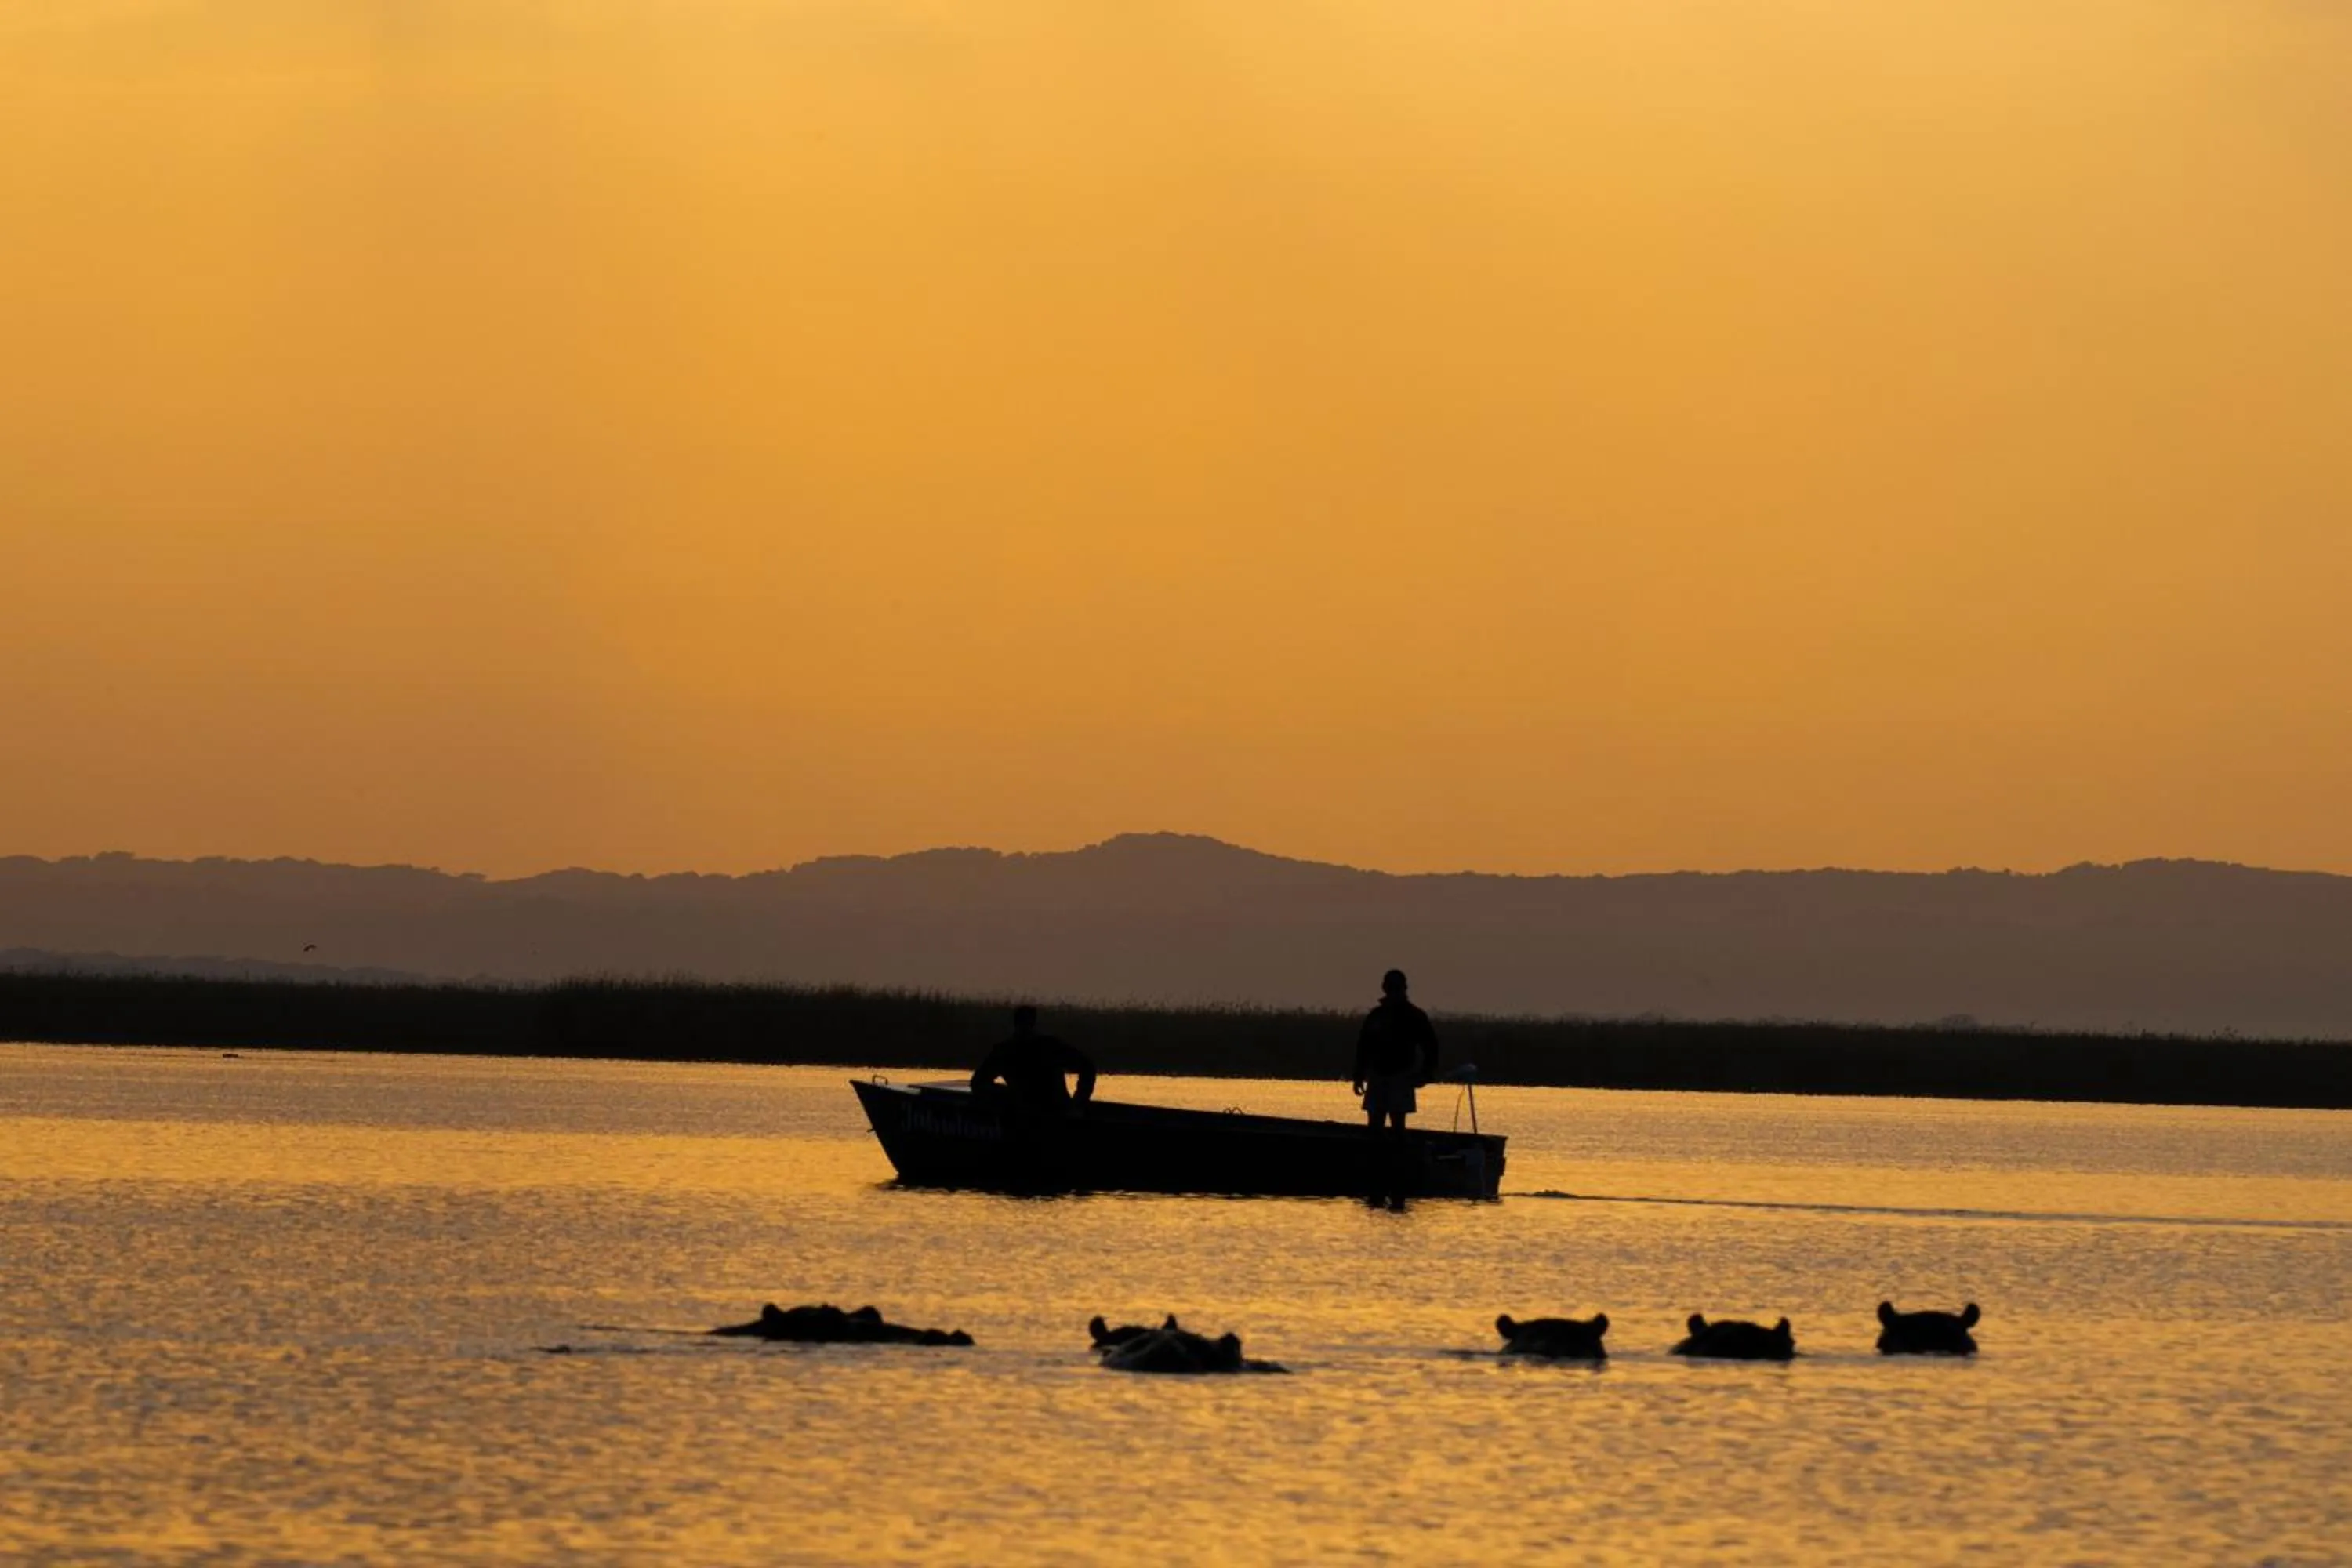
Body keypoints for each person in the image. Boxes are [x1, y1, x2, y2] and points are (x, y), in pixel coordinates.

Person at [1353, 969, 1439, 1139]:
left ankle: (1397, 1158)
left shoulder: (1414, 1016)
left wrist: (1426, 1074)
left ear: (1403, 988)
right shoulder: (1376, 1016)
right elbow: (1364, 1047)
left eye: (1396, 988)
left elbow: (1431, 1046)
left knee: (1397, 1124)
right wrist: (1358, 1075)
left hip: (1402, 1075)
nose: (1393, 991)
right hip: (1378, 1075)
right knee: (1375, 1124)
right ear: (1385, 988)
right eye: (1391, 987)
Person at [971, 1005, 1097, 1115]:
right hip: (1035, 1114)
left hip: (1056, 1113)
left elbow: (1087, 1067)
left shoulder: (1049, 1046)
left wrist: (1078, 1103)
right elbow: (978, 1083)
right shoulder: (1006, 1051)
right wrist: (1009, 1097)